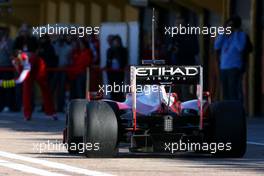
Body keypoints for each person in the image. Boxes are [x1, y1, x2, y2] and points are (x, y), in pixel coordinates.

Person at [0, 52, 57, 121]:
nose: (14, 62)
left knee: (45, 89)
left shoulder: (26, 62)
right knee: (26, 91)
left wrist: (4, 83)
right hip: (27, 67)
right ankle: (27, 114)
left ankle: (51, 113)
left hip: (39, 67)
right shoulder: (15, 61)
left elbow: (20, 80)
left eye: (16, 60)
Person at [214, 16, 251, 101]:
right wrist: (223, 33)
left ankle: (235, 111)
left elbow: (240, 47)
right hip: (223, 67)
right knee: (225, 91)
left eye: (231, 25)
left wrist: (236, 34)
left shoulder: (241, 35)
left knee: (233, 91)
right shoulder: (224, 36)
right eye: (228, 25)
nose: (229, 27)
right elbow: (216, 46)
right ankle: (227, 110)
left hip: (234, 66)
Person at [106, 35, 128, 101]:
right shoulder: (110, 50)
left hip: (119, 73)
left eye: (117, 41)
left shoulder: (123, 50)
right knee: (112, 89)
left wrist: (117, 51)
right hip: (111, 73)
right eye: (114, 42)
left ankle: (120, 103)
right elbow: (108, 61)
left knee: (118, 89)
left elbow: (124, 61)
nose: (115, 43)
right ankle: (113, 102)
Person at [0, 28, 16, 112]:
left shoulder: (10, 42)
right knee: (1, 88)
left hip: (8, 68)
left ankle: (8, 105)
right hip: (0, 69)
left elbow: (12, 54)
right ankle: (1, 105)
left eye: (3, 32)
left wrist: (6, 46)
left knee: (8, 87)